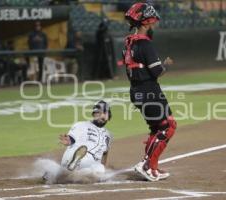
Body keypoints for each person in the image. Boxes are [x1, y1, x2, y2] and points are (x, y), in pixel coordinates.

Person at [122, 3, 177, 181]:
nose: (154, 25)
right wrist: (165, 64)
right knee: (167, 127)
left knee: (157, 127)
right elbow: (157, 71)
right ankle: (146, 165)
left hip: (137, 90)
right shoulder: (145, 44)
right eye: (153, 22)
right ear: (146, 23)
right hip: (148, 90)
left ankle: (152, 167)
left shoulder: (129, 42)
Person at [58, 100, 112, 176]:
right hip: (75, 155)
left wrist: (103, 168)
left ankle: (61, 173)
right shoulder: (81, 125)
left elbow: (105, 154)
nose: (101, 116)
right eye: (98, 113)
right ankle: (73, 165)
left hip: (89, 165)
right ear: (94, 114)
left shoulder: (108, 135)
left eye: (104, 113)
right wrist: (69, 141)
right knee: (97, 170)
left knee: (100, 169)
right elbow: (71, 139)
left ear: (108, 116)